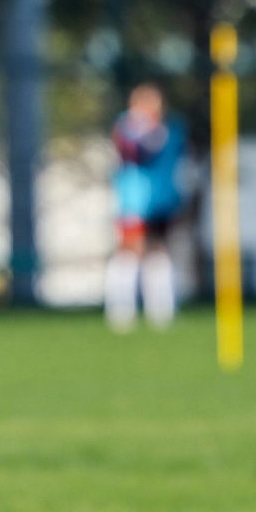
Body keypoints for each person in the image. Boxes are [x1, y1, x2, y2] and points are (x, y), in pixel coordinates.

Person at [104, 82, 185, 331]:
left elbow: (175, 154)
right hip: (134, 200)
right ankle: (121, 309)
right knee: (130, 250)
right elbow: (133, 153)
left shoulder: (171, 127)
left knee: (158, 250)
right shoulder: (126, 128)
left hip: (162, 199)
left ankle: (161, 310)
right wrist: (143, 129)